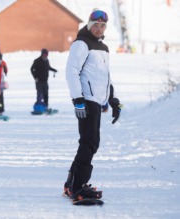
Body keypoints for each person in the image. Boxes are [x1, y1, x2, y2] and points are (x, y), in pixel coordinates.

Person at [63, 9, 123, 201]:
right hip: (86, 100)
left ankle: (71, 183)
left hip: (97, 100)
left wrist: (112, 100)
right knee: (89, 142)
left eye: (102, 25)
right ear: (89, 25)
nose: (99, 29)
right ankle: (78, 186)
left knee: (88, 142)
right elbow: (71, 71)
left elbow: (105, 77)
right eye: (96, 25)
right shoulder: (81, 44)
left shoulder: (103, 48)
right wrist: (78, 100)